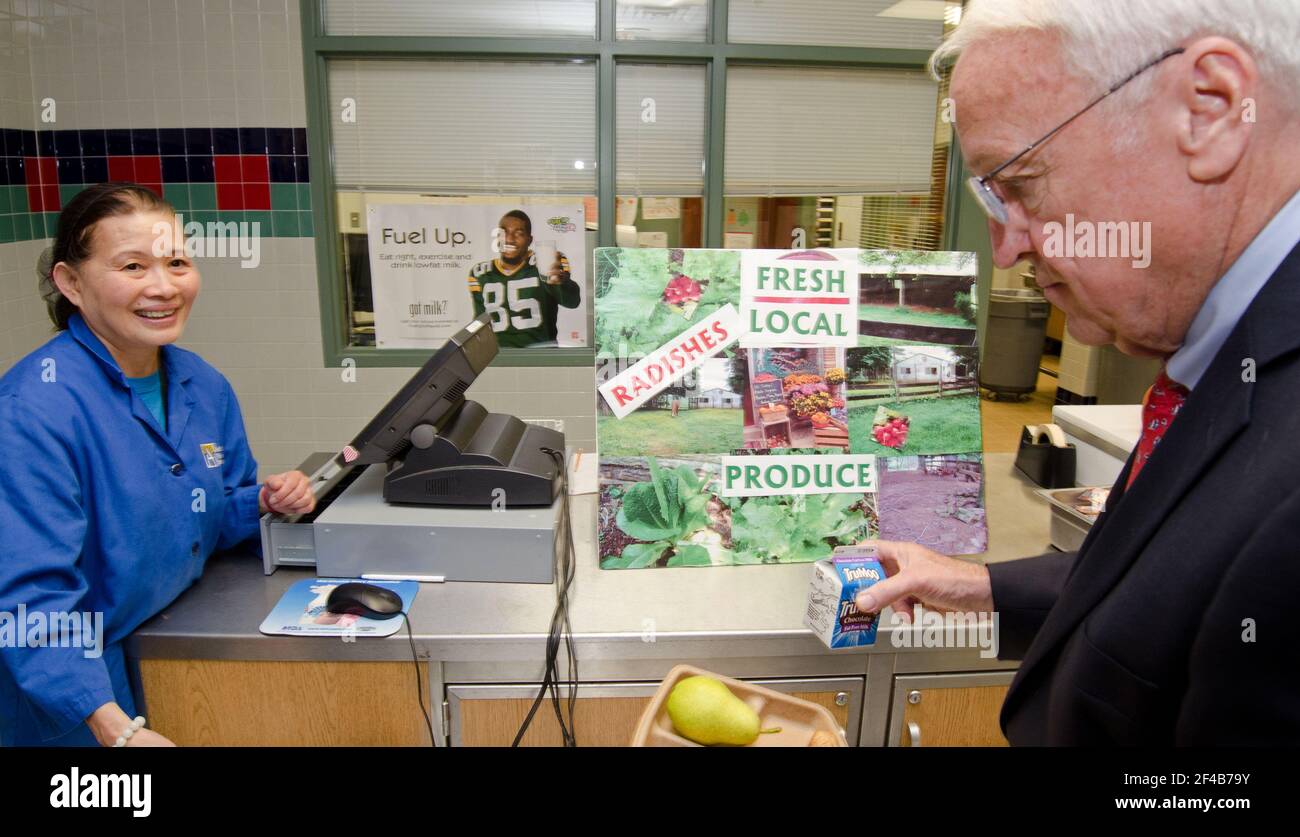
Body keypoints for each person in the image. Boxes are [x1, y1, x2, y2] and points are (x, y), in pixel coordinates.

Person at [854, 0, 1300, 744]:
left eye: (1022, 184)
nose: (1005, 250)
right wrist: (982, 587)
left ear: (1212, 110)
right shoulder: (1226, 361)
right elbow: (1175, 578)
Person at [0, 183, 317, 746]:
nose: (164, 287)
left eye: (176, 262)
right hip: (69, 697)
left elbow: (205, 515)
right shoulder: (33, 409)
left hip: (163, 652)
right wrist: (111, 727)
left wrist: (262, 502)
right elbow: (30, 596)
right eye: (132, 266)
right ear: (71, 282)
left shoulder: (201, 383)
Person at [465, 209, 581, 348]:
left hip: (540, 356)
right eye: (503, 232)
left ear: (529, 240)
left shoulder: (545, 262)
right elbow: (480, 322)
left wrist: (559, 283)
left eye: (518, 233)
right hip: (498, 357)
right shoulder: (481, 273)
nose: (509, 239)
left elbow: (572, 302)